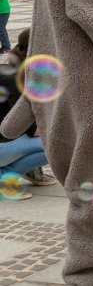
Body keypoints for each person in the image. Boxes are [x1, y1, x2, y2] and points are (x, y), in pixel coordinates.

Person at [0, 28, 56, 195]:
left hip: (6, 141)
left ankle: (28, 171)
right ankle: (5, 177)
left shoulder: (11, 70)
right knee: (53, 145)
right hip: (3, 143)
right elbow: (22, 124)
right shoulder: (15, 79)